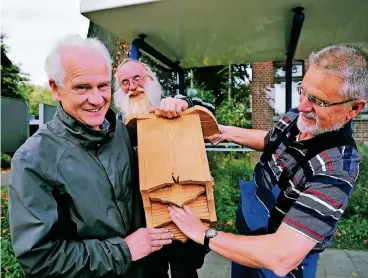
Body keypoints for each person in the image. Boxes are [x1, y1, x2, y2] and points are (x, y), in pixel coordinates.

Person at [168, 44, 368, 278]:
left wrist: (204, 233)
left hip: (279, 263)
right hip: (248, 238)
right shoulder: (301, 115)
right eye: (302, 90)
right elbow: (270, 139)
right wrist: (222, 131)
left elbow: (281, 255)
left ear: (354, 108)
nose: (302, 105)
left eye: (318, 101)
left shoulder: (338, 165)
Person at [8, 35, 176, 278]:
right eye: (82, 87)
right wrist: (124, 251)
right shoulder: (33, 160)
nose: (97, 100)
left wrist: (180, 105)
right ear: (55, 88)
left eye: (103, 86)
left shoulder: (120, 130)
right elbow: (39, 260)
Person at [113, 58, 215, 278]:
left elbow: (208, 108)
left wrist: (185, 103)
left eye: (137, 78)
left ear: (150, 80)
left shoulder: (171, 104)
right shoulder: (118, 124)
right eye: (125, 82)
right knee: (152, 270)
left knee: (184, 269)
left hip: (180, 204)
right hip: (143, 213)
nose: (132, 86)